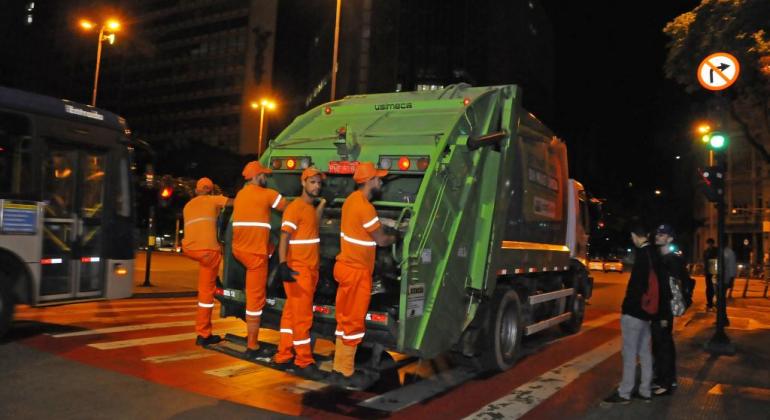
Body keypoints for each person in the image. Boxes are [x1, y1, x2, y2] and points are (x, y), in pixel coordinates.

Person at [329, 162, 396, 390]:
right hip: (357, 272)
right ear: (368, 181)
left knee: (343, 321)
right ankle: (347, 372)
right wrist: (397, 237)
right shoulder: (366, 207)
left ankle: (338, 369)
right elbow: (381, 240)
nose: (381, 182)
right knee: (354, 324)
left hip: (344, 268)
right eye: (378, 179)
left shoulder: (350, 201)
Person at [273, 167, 328, 380]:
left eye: (319, 183)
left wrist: (322, 203)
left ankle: (284, 354)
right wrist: (283, 264)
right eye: (312, 182)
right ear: (303, 182)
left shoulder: (308, 209)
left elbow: (314, 221)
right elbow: (284, 236)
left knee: (291, 314)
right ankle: (303, 361)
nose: (316, 186)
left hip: (308, 269)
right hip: (298, 270)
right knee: (303, 317)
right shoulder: (295, 208)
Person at [231, 161, 288, 359]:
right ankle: (252, 344)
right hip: (255, 256)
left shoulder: (240, 194)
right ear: (257, 176)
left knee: (271, 245)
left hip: (239, 251)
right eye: (264, 175)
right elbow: (286, 207)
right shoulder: (267, 194)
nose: (267, 178)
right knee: (255, 300)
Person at [603, 224, 658, 406]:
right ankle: (645, 390)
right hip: (648, 311)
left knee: (629, 353)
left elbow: (636, 286)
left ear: (635, 236)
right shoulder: (655, 254)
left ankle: (625, 392)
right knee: (645, 352)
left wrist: (627, 307)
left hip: (634, 311)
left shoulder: (642, 255)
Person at [182, 177, 233, 346]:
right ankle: (203, 334)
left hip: (190, 249)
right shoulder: (213, 200)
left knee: (206, 286)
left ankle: (215, 285)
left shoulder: (188, 205)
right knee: (206, 294)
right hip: (208, 252)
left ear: (197, 190)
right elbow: (234, 203)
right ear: (211, 191)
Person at [652, 224, 693, 396]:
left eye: (662, 234)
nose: (658, 236)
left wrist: (663, 314)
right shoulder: (661, 258)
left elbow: (670, 289)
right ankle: (664, 378)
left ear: (670, 239)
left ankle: (666, 383)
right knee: (659, 344)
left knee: (664, 345)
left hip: (664, 310)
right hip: (659, 308)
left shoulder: (671, 261)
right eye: (658, 233)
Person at [703, 238, 718, 310]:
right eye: (708, 243)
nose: (709, 245)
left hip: (714, 271)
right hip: (708, 271)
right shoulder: (706, 251)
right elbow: (705, 261)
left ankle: (714, 302)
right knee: (709, 288)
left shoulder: (716, 250)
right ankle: (709, 303)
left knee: (714, 287)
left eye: (710, 243)